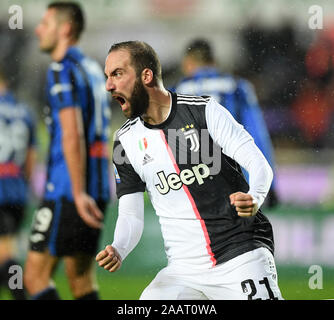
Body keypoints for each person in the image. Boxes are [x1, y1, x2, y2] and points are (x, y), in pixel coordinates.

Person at [96, 41, 283, 300]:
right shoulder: (124, 142)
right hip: (183, 272)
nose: (109, 85)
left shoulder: (203, 111)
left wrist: (255, 196)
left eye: (117, 73)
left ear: (146, 76)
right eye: (107, 77)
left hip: (240, 254)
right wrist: (119, 247)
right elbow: (131, 215)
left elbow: (257, 162)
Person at [24, 2, 111, 300]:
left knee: (34, 277)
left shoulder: (62, 69)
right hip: (96, 186)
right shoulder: (92, 69)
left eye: (45, 24)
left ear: (65, 29)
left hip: (68, 189)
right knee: (81, 280)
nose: (38, 29)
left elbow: (71, 133)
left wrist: (76, 191)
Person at [173, 38, 278, 207]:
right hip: (234, 180)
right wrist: (269, 185)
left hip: (194, 181)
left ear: (188, 63)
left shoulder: (175, 92)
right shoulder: (238, 87)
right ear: (214, 62)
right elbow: (258, 136)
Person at [0, 69, 36, 300]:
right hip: (18, 193)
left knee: (4, 257)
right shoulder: (25, 112)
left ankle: (23, 296)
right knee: (6, 251)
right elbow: (31, 158)